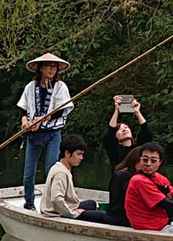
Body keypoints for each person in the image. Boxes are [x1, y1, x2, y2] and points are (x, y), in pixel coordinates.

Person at [18, 51, 74, 210]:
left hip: (52, 133)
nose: (52, 70)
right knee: (29, 171)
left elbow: (63, 109)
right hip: (33, 133)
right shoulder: (30, 87)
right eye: (49, 67)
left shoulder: (60, 86)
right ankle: (29, 202)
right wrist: (24, 121)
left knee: (52, 169)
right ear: (41, 68)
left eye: (54, 67)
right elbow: (23, 107)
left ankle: (51, 204)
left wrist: (44, 119)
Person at [124, 142, 173, 233]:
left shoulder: (159, 178)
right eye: (145, 160)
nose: (148, 164)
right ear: (140, 160)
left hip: (162, 221)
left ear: (160, 162)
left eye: (153, 161)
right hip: (150, 227)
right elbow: (169, 205)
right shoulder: (138, 180)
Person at [40, 134, 108, 222]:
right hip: (58, 213)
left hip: (66, 208)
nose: (81, 158)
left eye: (82, 155)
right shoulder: (60, 173)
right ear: (67, 153)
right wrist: (73, 214)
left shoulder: (60, 168)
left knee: (92, 204)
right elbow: (56, 200)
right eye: (78, 154)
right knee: (104, 216)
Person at [103, 95, 152, 174]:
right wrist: (116, 111)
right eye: (119, 129)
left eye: (126, 127)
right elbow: (110, 134)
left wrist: (137, 112)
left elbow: (146, 133)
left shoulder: (138, 149)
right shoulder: (115, 152)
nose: (124, 129)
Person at [106, 145, 144, 227]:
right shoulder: (123, 175)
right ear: (135, 161)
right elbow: (116, 205)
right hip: (119, 218)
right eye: (144, 161)